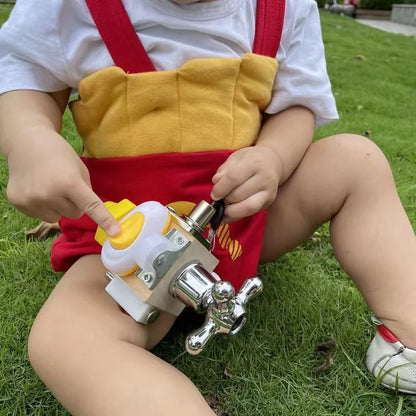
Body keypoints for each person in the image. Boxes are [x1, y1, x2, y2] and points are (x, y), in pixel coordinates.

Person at [0, 0, 415, 414]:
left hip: (242, 226)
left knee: (356, 160)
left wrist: (273, 156)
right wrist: (29, 138)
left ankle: (408, 328)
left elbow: (296, 104)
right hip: (127, 255)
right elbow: (23, 74)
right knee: (66, 339)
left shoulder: (284, 8)